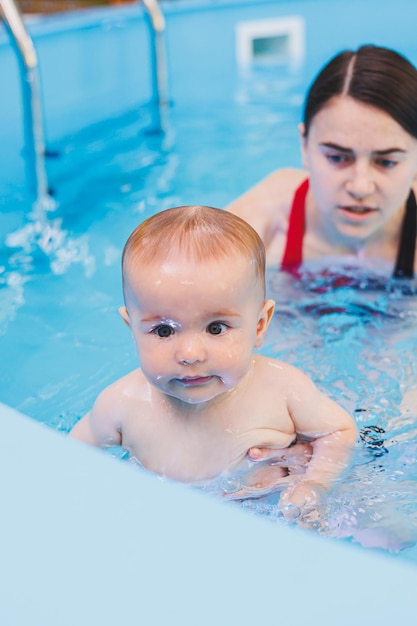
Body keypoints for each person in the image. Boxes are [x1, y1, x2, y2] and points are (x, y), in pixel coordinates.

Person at [69, 205, 357, 518]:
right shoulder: (120, 407)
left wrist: (315, 483)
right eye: (163, 330)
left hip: (268, 509)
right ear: (132, 329)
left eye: (216, 328)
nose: (190, 353)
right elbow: (67, 462)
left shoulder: (282, 389)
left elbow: (338, 431)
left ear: (259, 326)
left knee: (389, 534)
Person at [227, 45, 417, 279]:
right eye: (337, 158)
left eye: (386, 162)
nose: (360, 187)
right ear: (304, 146)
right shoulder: (257, 230)